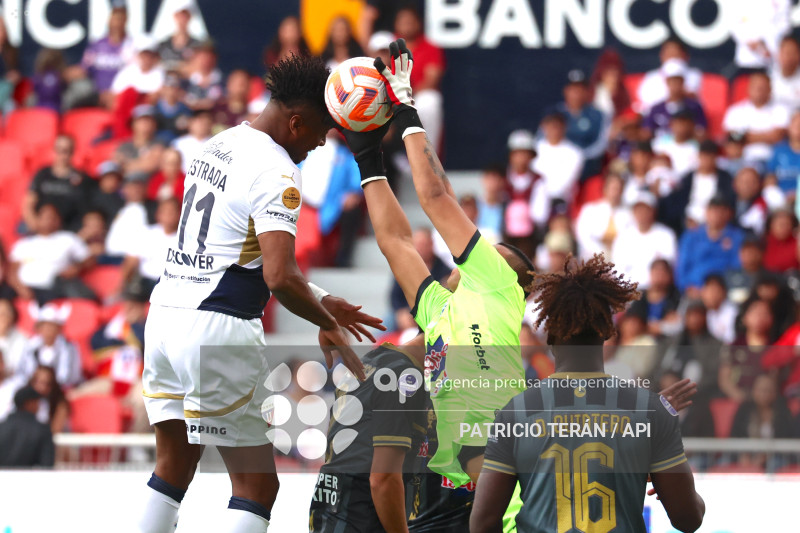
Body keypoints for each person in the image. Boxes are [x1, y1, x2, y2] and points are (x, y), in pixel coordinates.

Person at [136, 55, 383, 533]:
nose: (318, 143)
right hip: (217, 328)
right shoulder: (279, 170)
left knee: (172, 468)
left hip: (165, 317)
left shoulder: (216, 145)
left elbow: (234, 251)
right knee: (257, 487)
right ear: (296, 122)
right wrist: (327, 323)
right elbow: (278, 276)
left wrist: (320, 297)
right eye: (321, 132)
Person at [341, 39, 536, 493]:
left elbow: (434, 197)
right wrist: (368, 159)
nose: (480, 252)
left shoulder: (498, 287)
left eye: (494, 251)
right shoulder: (439, 310)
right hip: (455, 487)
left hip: (504, 496)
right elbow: (394, 242)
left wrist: (407, 105)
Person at [470, 254, 704, 533]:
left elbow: (483, 523)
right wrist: (666, 484)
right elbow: (689, 520)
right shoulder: (651, 413)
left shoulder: (514, 412)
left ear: (550, 335)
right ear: (607, 331)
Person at [309, 336, 426, 532]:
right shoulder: (403, 375)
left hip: (330, 513)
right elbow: (382, 479)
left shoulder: (369, 361)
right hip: (361, 518)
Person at [9, 204, 95, 304]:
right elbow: (11, 272)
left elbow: (89, 259)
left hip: (54, 289)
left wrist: (77, 267)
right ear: (37, 219)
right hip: (25, 289)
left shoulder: (68, 238)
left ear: (59, 220)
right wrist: (21, 289)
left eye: (53, 217)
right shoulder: (23, 244)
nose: (49, 221)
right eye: (45, 217)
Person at [23, 135, 96, 232]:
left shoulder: (81, 179)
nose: (62, 155)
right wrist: (35, 225)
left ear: (72, 152)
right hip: (42, 228)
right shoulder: (42, 174)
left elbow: (86, 212)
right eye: (59, 150)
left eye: (66, 151)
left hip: (68, 230)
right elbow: (28, 204)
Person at [676, 194, 744, 296]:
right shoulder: (691, 236)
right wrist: (687, 288)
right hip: (695, 291)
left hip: (725, 292)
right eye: (713, 210)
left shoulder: (737, 237)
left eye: (721, 211)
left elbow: (738, 266)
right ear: (706, 212)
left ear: (728, 213)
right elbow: (681, 267)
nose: (717, 215)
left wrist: (724, 290)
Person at [550, 70, 608, 179]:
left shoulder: (598, 115)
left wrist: (576, 157)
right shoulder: (554, 113)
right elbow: (541, 141)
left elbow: (600, 145)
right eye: (573, 89)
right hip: (557, 168)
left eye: (580, 89)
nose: (576, 93)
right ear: (565, 91)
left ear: (587, 91)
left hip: (588, 170)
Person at [612, 191, 676, 289]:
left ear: (653, 211)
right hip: (628, 292)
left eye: (645, 209)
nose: (641, 213)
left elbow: (667, 267)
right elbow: (617, 270)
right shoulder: (623, 236)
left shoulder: (666, 235)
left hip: (656, 290)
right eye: (638, 209)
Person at [75, 1, 133, 107]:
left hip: (120, 95)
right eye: (115, 18)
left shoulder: (132, 45)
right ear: (109, 20)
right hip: (97, 94)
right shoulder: (97, 45)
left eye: (121, 19)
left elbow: (136, 73)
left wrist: (115, 93)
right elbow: (84, 69)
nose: (117, 23)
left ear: (126, 21)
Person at [723, 72, 789, 165]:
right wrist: (767, 136)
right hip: (743, 160)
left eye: (763, 87)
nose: (759, 90)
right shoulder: (735, 111)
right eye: (756, 87)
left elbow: (778, 136)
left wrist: (745, 137)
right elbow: (733, 138)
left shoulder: (781, 109)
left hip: (773, 161)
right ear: (748, 88)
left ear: (770, 89)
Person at [121, 197, 181, 298]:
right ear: (158, 214)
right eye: (165, 211)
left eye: (172, 212)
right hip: (144, 283)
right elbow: (130, 262)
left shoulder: (185, 240)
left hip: (170, 286)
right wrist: (122, 286)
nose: (168, 215)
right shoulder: (146, 233)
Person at [719, 299, 773, 402]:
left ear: (771, 318)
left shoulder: (774, 348)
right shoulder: (733, 346)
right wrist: (739, 397)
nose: (759, 317)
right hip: (737, 402)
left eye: (764, 313)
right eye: (756, 313)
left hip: (765, 402)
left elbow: (774, 379)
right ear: (745, 317)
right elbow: (724, 380)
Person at [18, 302, 82, 388]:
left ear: (59, 329)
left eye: (52, 326)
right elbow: (22, 372)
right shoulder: (30, 347)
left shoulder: (70, 348)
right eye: (44, 326)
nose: (48, 330)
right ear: (38, 329)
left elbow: (73, 376)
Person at [643, 59, 707, 139]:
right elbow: (646, 132)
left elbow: (702, 133)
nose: (675, 85)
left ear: (683, 82)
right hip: (660, 148)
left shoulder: (694, 107)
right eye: (672, 81)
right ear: (667, 82)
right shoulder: (656, 109)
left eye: (678, 81)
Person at [574, 173, 632, 260]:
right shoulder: (590, 209)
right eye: (613, 188)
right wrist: (601, 252)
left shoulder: (628, 213)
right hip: (593, 256)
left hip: (619, 257)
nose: (615, 193)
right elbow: (582, 235)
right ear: (605, 189)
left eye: (618, 189)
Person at [532, 112, 584, 207]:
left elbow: (566, 183)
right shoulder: (534, 149)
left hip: (561, 203)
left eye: (557, 126)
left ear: (564, 127)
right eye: (550, 126)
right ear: (543, 127)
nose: (554, 130)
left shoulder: (575, 153)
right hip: (534, 200)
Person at [637, 39, 703, 112]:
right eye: (668, 53)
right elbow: (645, 104)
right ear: (661, 55)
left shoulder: (696, 75)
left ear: (685, 55)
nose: (672, 57)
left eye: (675, 53)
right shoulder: (650, 77)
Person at [0, 385, 55, 467]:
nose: (38, 406)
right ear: (29, 403)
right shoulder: (42, 430)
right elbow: (47, 465)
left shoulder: (2, 426)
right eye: (37, 402)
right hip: (28, 479)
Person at [729, 0, 791, 72]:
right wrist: (753, 43)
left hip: (774, 57)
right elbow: (733, 24)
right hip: (748, 59)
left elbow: (785, 25)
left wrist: (769, 45)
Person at [652, 108, 699, 178]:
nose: (682, 127)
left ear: (691, 125)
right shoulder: (660, 143)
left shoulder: (696, 147)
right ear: (671, 124)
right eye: (678, 123)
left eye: (685, 123)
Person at [158, 0, 201, 73]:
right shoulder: (163, 45)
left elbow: (197, 68)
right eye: (179, 16)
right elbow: (158, 66)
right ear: (175, 16)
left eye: (185, 16)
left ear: (190, 17)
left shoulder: (198, 45)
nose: (182, 19)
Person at [766, 110, 800, 201]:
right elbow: (770, 177)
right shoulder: (779, 149)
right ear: (789, 127)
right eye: (796, 124)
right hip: (781, 198)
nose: (798, 128)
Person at [172, 108, 214, 173]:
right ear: (191, 122)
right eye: (200, 121)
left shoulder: (216, 143)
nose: (202, 125)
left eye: (206, 122)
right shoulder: (178, 143)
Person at [700, 274, 737, 344]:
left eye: (712, 291)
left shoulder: (733, 312)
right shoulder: (709, 313)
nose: (708, 295)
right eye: (706, 291)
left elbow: (731, 340)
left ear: (723, 291)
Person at [763, 208, 799, 272]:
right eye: (781, 225)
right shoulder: (764, 242)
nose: (784, 228)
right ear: (771, 225)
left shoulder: (797, 243)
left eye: (787, 224)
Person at [770, 35, 800, 108]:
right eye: (786, 52)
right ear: (778, 54)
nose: (789, 57)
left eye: (793, 52)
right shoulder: (768, 76)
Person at [0, 299, 27, 376]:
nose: (1, 317)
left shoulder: (22, 340)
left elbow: (16, 370)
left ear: (12, 317)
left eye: (4, 314)